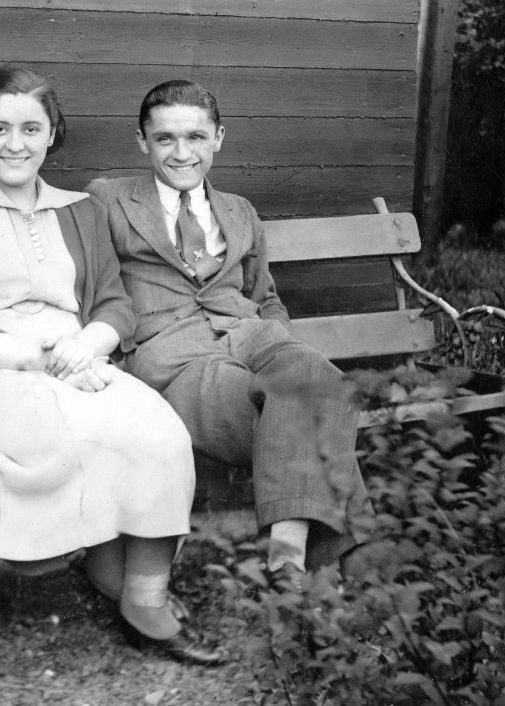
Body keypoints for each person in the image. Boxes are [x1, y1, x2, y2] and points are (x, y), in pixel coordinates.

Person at [0, 67, 223, 665]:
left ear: (53, 135)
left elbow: (112, 302)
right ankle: (110, 573)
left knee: (160, 432)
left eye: (32, 127)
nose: (15, 143)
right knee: (90, 432)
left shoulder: (79, 211)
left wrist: (94, 342)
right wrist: (46, 358)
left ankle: (144, 597)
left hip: (82, 361)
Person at [86, 80, 372, 592]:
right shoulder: (107, 198)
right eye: (165, 139)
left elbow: (266, 297)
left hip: (248, 333)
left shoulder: (240, 210)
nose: (181, 152)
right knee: (308, 414)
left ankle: (288, 557)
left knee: (313, 377)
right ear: (141, 141)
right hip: (170, 353)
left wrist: (273, 343)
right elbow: (91, 288)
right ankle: (334, 565)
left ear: (219, 138)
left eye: (196, 137)